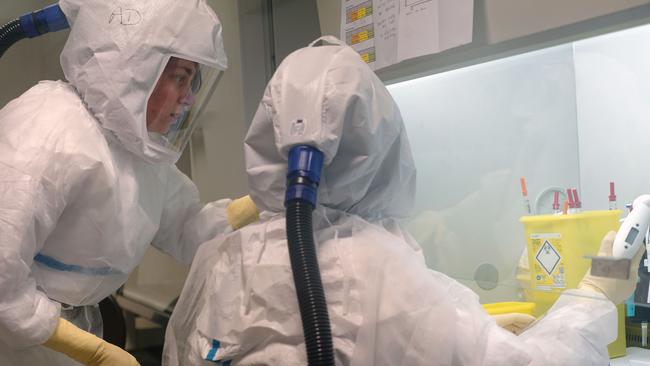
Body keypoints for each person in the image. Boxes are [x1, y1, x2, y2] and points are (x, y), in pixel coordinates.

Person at [162, 36, 643, 366]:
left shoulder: (219, 261)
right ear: (380, 138)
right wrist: (595, 297)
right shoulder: (373, 269)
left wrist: (473, 333)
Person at [0, 0, 258, 365]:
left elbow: (188, 230)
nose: (189, 98)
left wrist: (264, 197)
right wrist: (91, 350)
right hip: (11, 344)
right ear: (136, 69)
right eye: (180, 77)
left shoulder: (136, 152)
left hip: (67, 330)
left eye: (194, 81)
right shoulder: (47, 128)